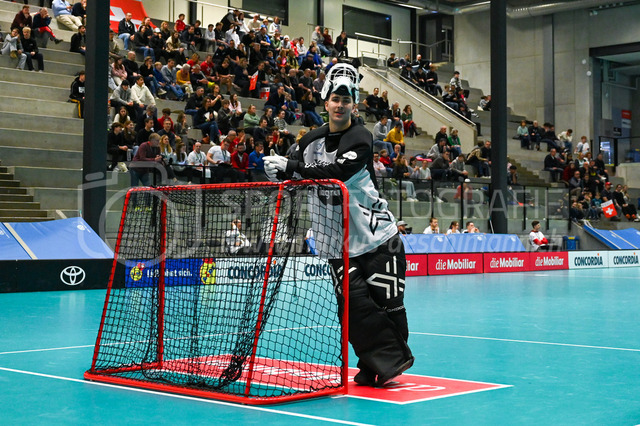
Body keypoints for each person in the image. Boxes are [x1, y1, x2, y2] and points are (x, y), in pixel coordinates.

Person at [262, 63, 413, 387]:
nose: (340, 105)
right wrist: (279, 174)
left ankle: (380, 365)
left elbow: (337, 173)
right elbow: (297, 176)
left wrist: (290, 167)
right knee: (352, 305)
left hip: (379, 238)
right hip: (336, 243)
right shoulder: (309, 141)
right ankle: (381, 361)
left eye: (346, 99)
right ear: (326, 101)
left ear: (353, 104)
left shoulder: (360, 137)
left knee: (389, 306)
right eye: (335, 99)